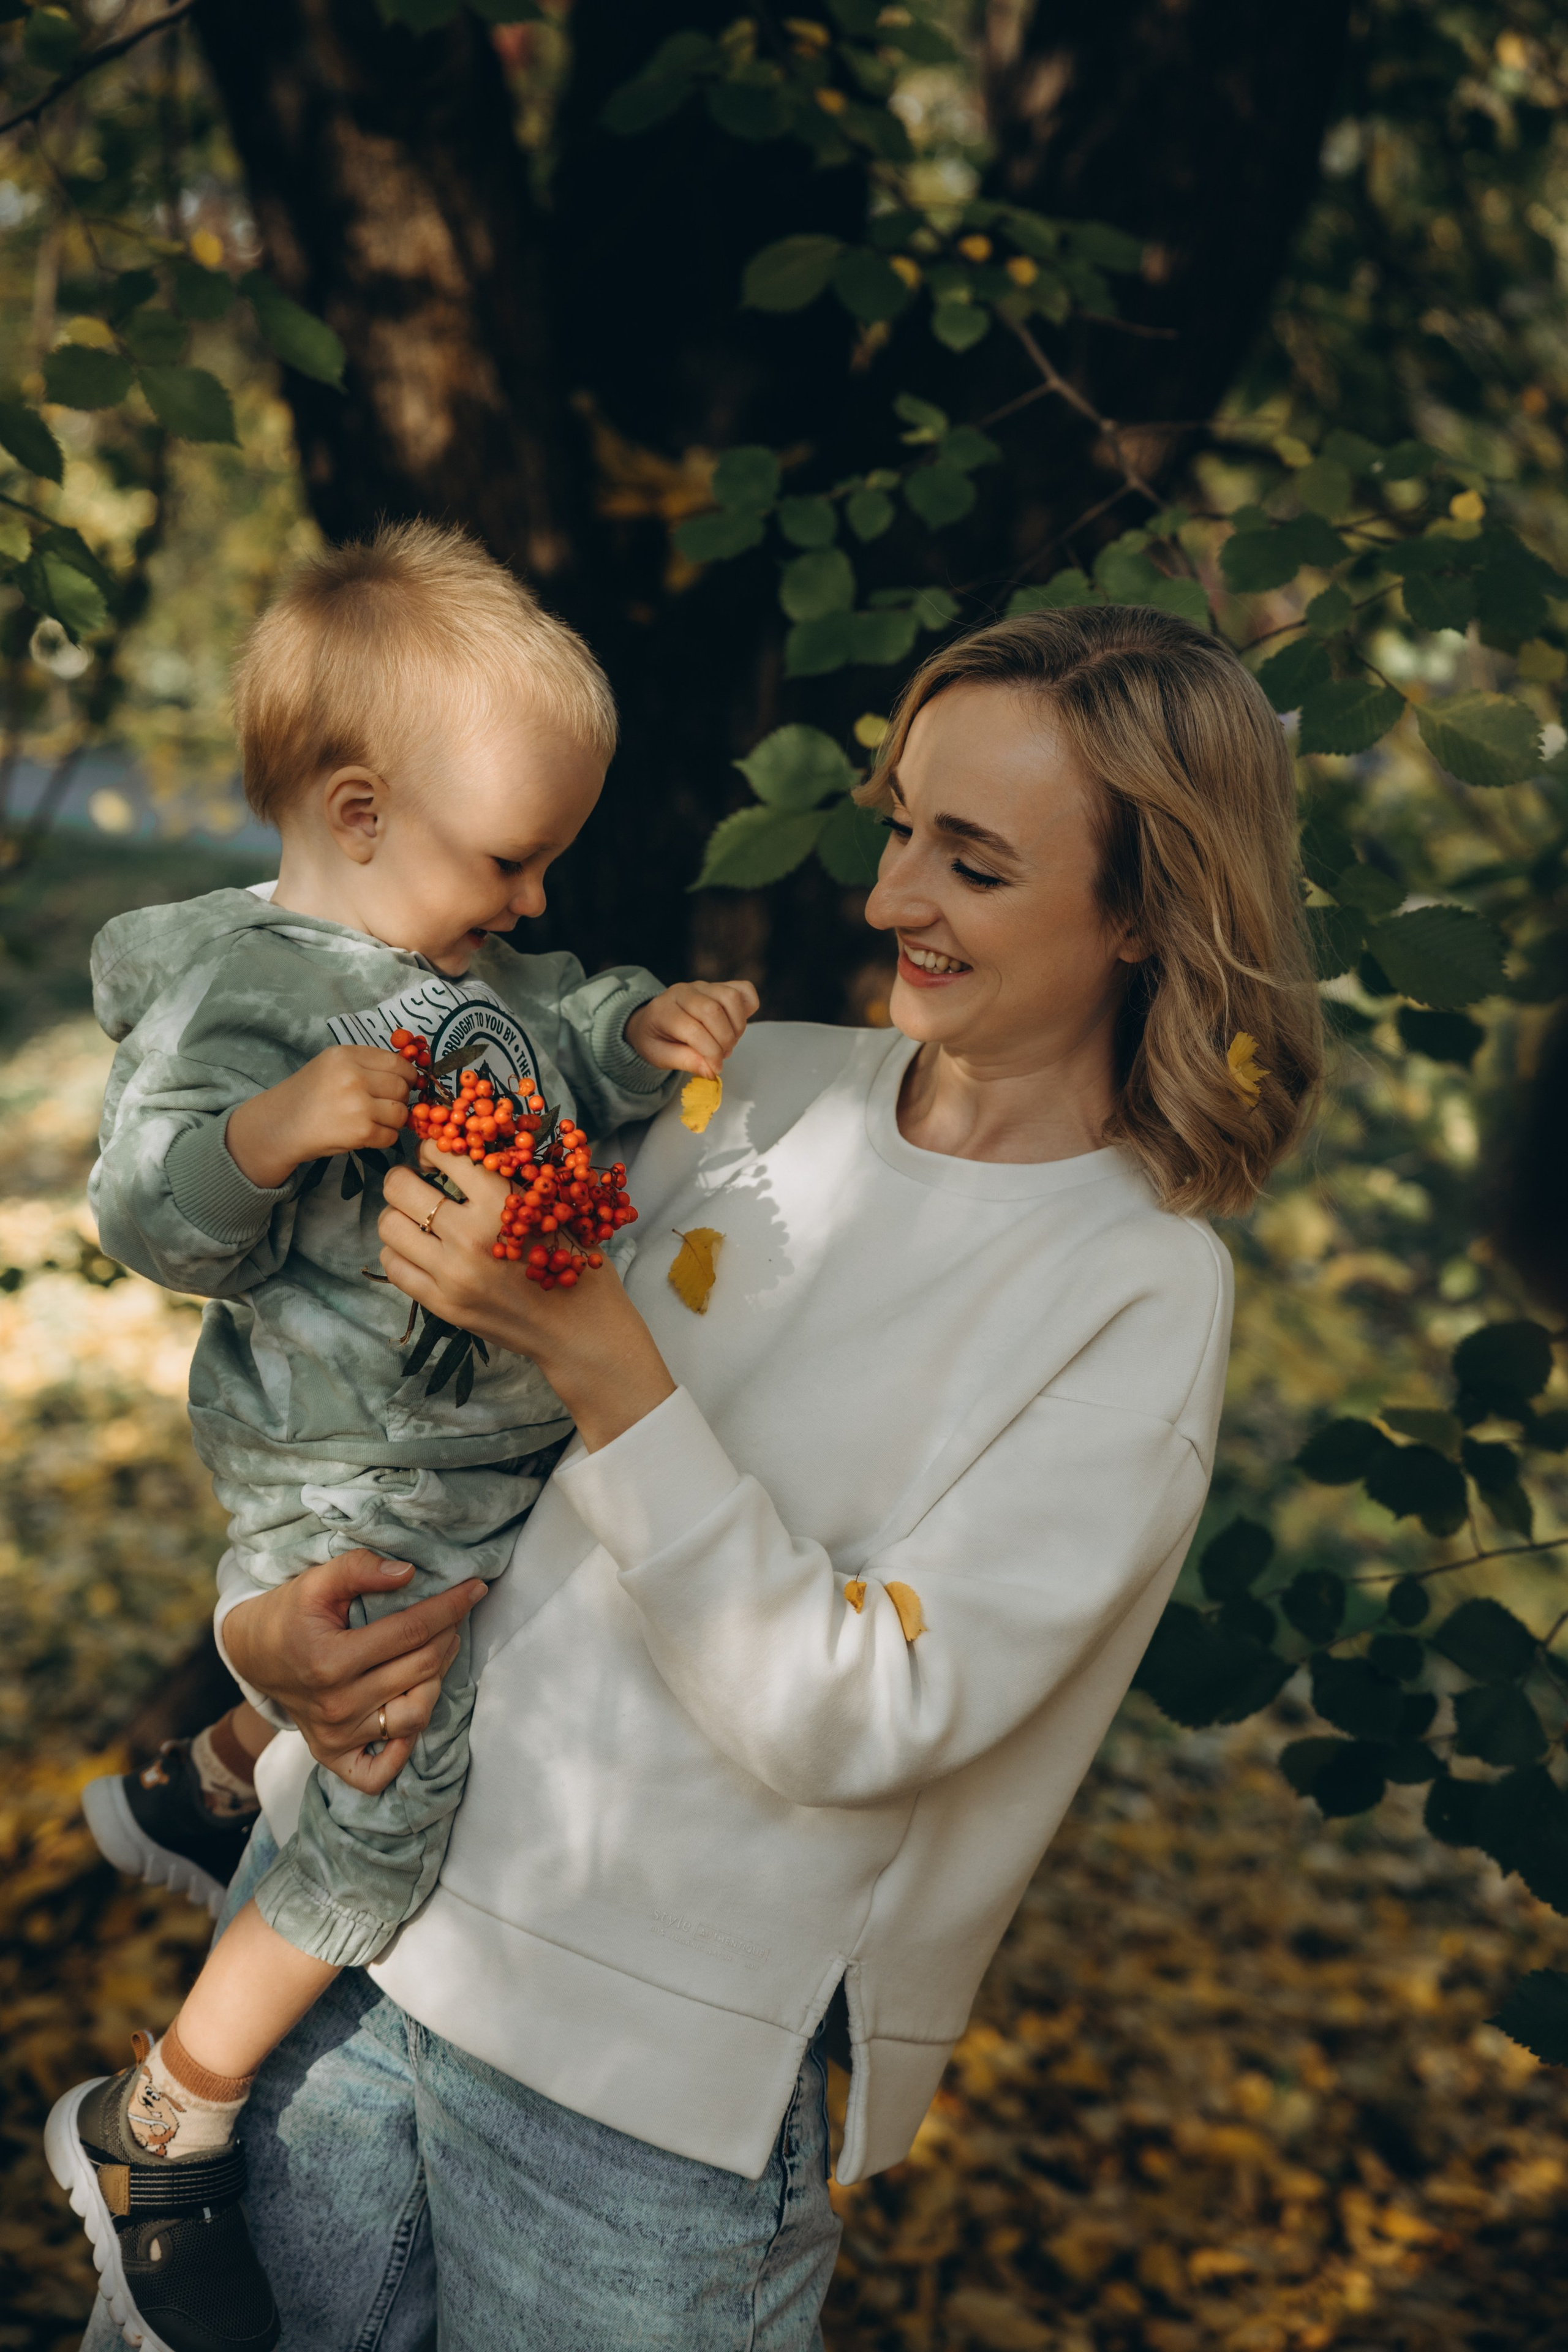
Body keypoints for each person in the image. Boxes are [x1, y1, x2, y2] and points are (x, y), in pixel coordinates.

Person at [77, 601, 1324, 2352]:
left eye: (970, 863)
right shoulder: (761, 1089)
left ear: (1145, 913)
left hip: (643, 2124)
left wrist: (610, 1361)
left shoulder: (1136, 1288)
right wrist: (266, 1648)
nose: (891, 900)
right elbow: (411, 1413)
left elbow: (860, 1714)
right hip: (359, 1962)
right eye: (900, 827)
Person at [49, 521, 758, 2352]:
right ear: (359, 814)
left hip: (490, 1461)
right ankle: (164, 2125)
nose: (531, 902)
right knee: (389, 1800)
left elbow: (570, 1036)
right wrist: (269, 1133)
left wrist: (650, 1023)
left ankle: (202, 1782)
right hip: (349, 1484)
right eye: (510, 860)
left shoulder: (488, 978)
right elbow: (144, 1211)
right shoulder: (250, 996)